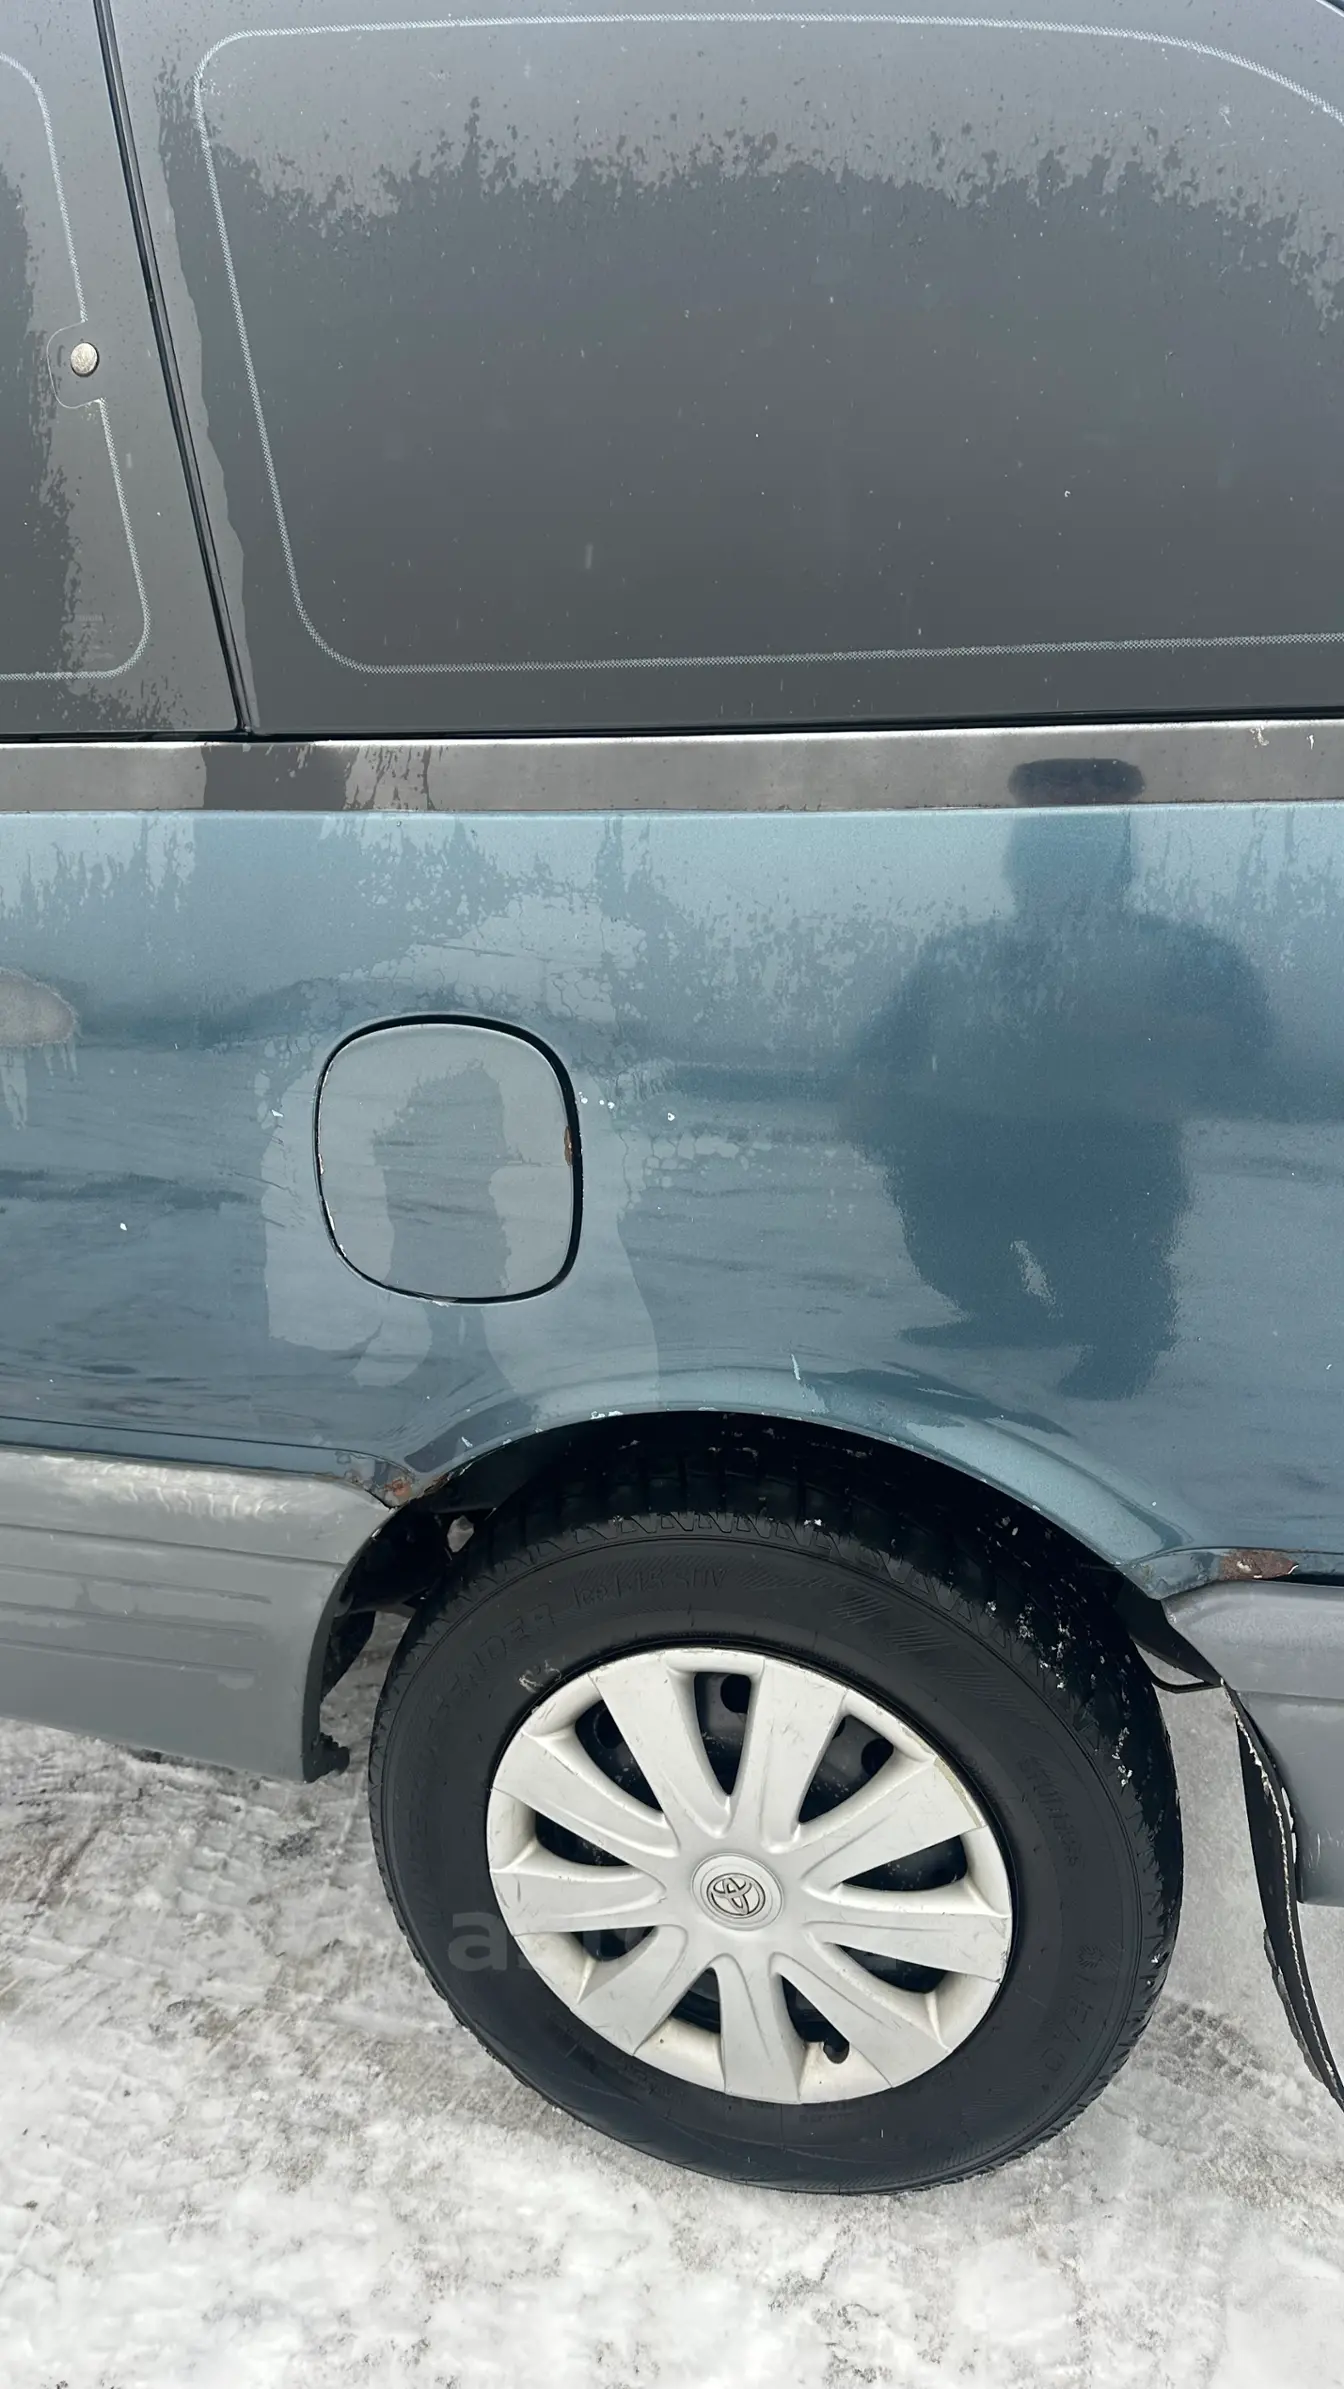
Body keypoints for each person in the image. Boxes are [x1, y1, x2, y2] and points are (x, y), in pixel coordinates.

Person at [846, 781, 1272, 1398]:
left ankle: (1126, 1339)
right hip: (970, 1143)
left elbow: (1251, 1038)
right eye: (1035, 870)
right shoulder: (965, 954)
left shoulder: (1176, 952)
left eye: (1073, 871)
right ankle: (1011, 1317)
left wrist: (1137, 1025)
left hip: (1109, 1152)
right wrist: (870, 1098)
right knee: (945, 1245)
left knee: (1099, 1267)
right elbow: (887, 1041)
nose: (1048, 886)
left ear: (1114, 879)